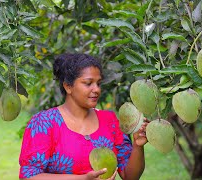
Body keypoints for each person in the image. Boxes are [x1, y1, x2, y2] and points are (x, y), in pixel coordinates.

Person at [19, 53, 148, 180]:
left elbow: (130, 176)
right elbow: (29, 176)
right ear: (68, 86)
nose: (96, 89)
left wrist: (137, 146)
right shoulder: (44, 123)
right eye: (88, 83)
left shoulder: (110, 121)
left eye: (98, 83)